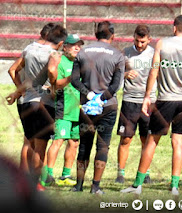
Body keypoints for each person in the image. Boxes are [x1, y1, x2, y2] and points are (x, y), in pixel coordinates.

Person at [121, 15, 182, 195]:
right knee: (178, 143)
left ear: (174, 28)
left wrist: (147, 96)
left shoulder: (162, 44)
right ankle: (174, 186)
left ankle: (138, 185)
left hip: (165, 99)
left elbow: (154, 71)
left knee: (152, 141)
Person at [8, 24, 67, 190]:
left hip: (25, 102)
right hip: (43, 103)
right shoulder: (54, 54)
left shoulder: (29, 48)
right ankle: (35, 185)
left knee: (29, 143)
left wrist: (20, 90)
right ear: (61, 43)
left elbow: (13, 70)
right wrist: (54, 86)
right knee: (40, 147)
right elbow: (51, 70)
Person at [70, 21, 125, 194]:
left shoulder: (83, 52)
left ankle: (78, 185)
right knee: (102, 146)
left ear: (96, 34)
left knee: (84, 145)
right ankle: (95, 186)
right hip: (107, 106)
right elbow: (116, 85)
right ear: (113, 35)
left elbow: (74, 80)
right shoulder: (118, 55)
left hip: (86, 107)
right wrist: (102, 98)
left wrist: (89, 95)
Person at [115, 25, 156, 184]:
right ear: (133, 38)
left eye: (143, 42)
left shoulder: (154, 54)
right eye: (137, 41)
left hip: (149, 103)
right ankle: (120, 173)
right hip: (129, 102)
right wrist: (125, 74)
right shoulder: (125, 53)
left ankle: (145, 173)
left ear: (149, 40)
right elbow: (116, 74)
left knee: (147, 140)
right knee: (125, 139)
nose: (140, 45)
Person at [42, 34, 84, 187]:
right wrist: (70, 78)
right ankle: (48, 176)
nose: (77, 48)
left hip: (78, 110)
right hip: (63, 109)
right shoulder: (61, 61)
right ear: (65, 47)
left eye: (79, 45)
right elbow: (56, 84)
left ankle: (65, 175)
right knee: (58, 141)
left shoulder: (81, 62)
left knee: (74, 143)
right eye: (74, 45)